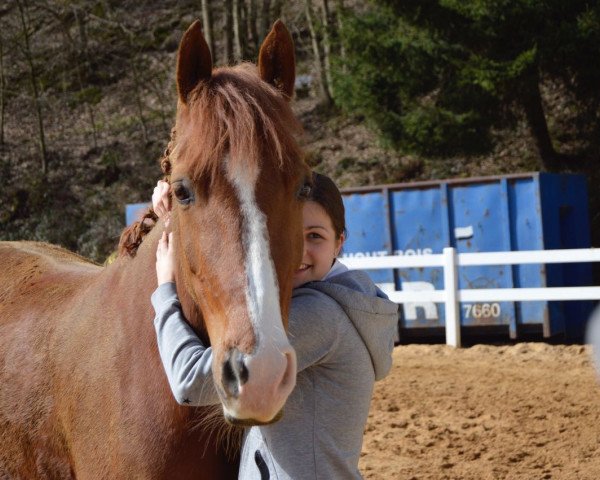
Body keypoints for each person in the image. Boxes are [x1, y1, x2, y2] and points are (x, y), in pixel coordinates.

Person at [151, 172, 399, 479]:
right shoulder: (340, 304)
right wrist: (176, 214)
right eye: (287, 232)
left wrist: (165, 289)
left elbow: (191, 381)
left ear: (339, 244)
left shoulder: (317, 316)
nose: (297, 249)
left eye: (315, 236)